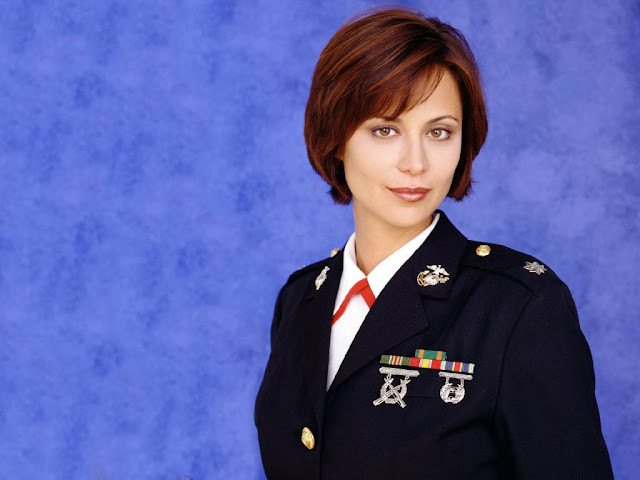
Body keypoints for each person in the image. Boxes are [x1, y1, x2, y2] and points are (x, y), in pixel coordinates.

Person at [254, 7, 613, 479]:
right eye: (385, 129)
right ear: (337, 138)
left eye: (439, 132)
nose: (416, 162)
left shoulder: (518, 307)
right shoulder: (300, 299)